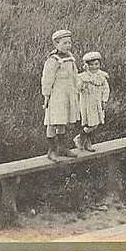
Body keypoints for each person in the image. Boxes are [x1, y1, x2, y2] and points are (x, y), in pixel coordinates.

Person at [41, 29, 81, 161]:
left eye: (69, 43)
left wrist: (77, 88)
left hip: (67, 94)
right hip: (57, 96)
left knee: (62, 122)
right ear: (56, 44)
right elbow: (47, 79)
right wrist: (46, 95)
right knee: (53, 122)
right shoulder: (53, 60)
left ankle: (62, 148)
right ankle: (51, 150)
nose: (68, 46)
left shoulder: (70, 58)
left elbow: (74, 75)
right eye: (64, 43)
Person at [74, 51, 111, 152]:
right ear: (86, 65)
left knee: (96, 123)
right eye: (91, 65)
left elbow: (106, 89)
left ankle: (85, 141)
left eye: (96, 64)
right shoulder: (83, 77)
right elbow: (77, 88)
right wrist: (81, 85)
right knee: (91, 123)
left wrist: (104, 100)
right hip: (87, 103)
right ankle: (81, 137)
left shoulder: (101, 77)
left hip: (97, 103)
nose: (94, 67)